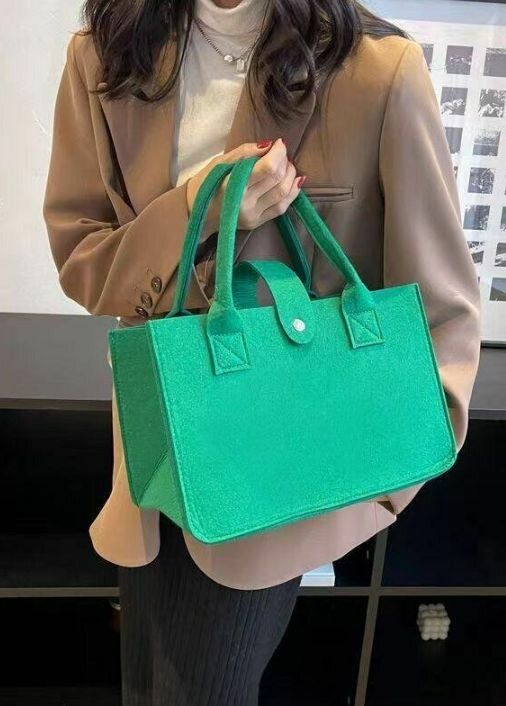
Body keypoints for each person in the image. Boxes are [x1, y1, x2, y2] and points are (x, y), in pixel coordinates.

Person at [42, 0, 481, 703]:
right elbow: (83, 261)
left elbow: (442, 307)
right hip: (154, 449)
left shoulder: (375, 69)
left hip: (277, 474)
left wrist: (387, 475)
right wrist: (200, 209)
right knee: (145, 685)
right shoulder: (108, 53)